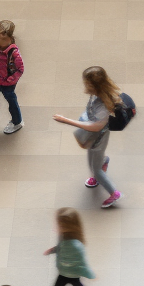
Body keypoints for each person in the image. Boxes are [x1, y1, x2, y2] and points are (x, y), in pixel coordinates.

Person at [53, 66, 123, 208]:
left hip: (98, 138)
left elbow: (97, 126)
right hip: (95, 138)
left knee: (96, 170)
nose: (85, 85)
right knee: (91, 161)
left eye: (87, 83)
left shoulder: (102, 104)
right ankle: (102, 161)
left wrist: (66, 120)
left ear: (94, 86)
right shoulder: (97, 95)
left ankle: (114, 193)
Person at [35, 207, 95, 286]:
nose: (55, 226)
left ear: (67, 226)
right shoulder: (63, 237)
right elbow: (61, 247)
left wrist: (88, 273)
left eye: (58, 224)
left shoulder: (75, 245)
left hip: (72, 274)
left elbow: (82, 262)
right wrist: (52, 250)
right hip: (63, 272)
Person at [0, 19, 24, 133]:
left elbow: (20, 69)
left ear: (10, 39)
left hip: (8, 84)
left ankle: (17, 122)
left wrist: (11, 79)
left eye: (3, 39)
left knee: (12, 102)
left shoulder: (14, 54)